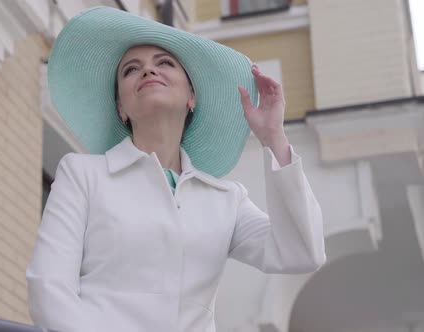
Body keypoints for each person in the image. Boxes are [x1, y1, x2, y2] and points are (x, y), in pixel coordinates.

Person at [27, 6, 325, 332]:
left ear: (192, 97)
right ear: (121, 108)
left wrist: (274, 138)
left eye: (165, 63)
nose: (148, 71)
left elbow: (301, 252)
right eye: (131, 69)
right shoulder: (83, 175)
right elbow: (49, 286)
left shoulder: (227, 199)